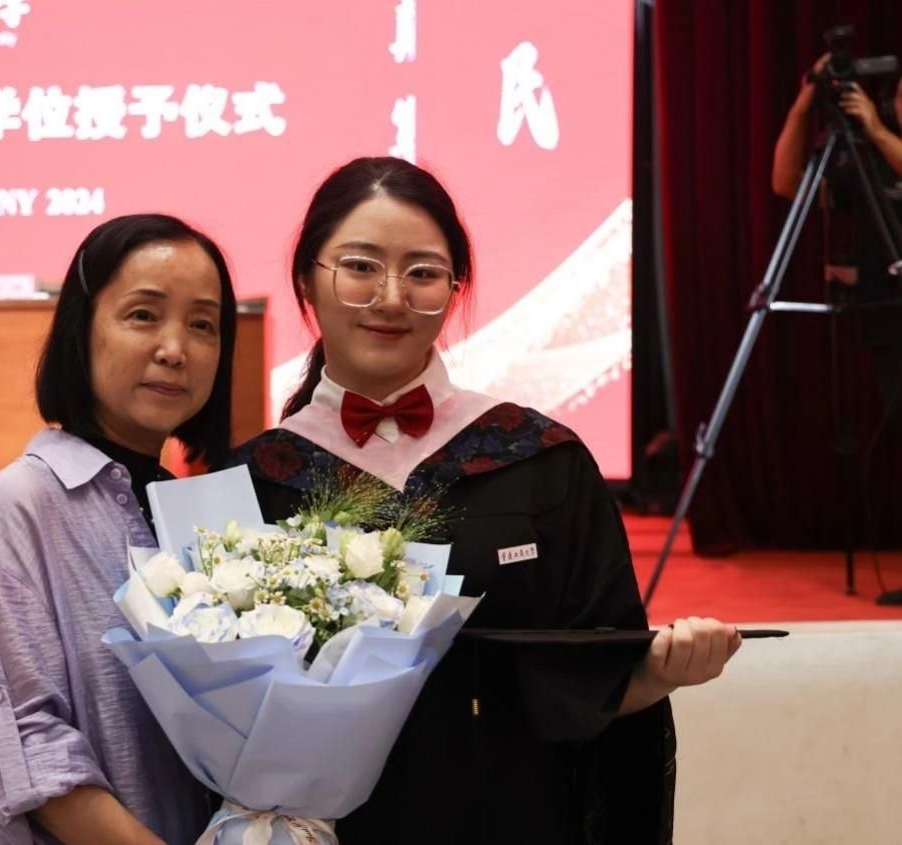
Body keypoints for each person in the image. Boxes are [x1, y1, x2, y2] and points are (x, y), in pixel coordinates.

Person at [229, 157, 741, 842]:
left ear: (454, 288)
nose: (391, 298)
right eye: (360, 267)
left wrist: (660, 670)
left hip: (514, 815)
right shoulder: (255, 481)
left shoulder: (541, 459)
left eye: (422, 272)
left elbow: (601, 668)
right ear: (306, 281)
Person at [0, 214, 237, 844]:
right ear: (81, 329)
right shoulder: (17, 510)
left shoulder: (203, 519)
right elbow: (30, 752)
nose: (175, 349)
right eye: (143, 315)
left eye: (203, 325)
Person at [773, 53, 902, 435]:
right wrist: (804, 103)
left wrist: (875, 129)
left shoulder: (881, 140)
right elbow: (787, 183)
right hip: (888, 323)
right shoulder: (872, 162)